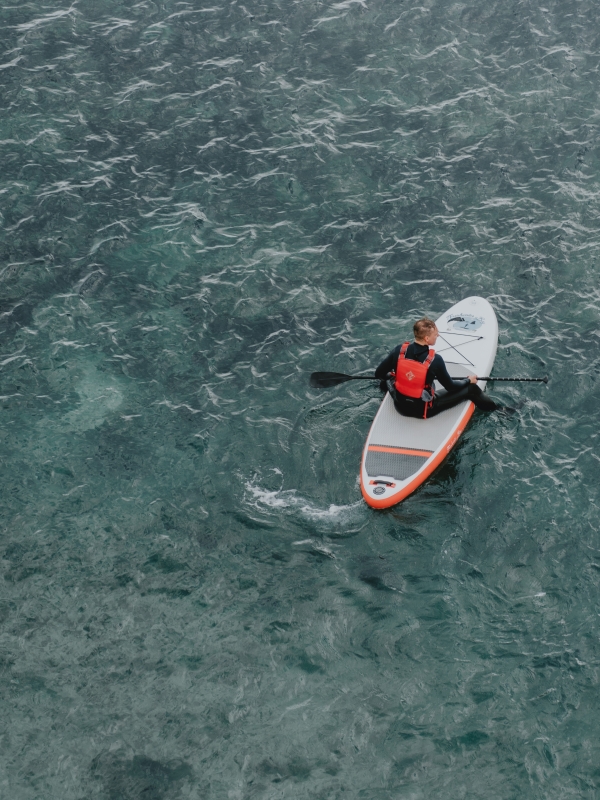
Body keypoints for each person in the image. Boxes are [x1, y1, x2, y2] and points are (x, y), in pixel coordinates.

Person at [375, 317, 501, 418]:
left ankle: (384, 393)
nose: (438, 335)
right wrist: (468, 380)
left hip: (399, 405)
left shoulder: (399, 350)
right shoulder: (435, 360)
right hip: (422, 410)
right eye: (436, 334)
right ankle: (500, 411)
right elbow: (450, 387)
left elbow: (379, 374)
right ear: (427, 338)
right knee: (472, 389)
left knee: (387, 378)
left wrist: (400, 376)